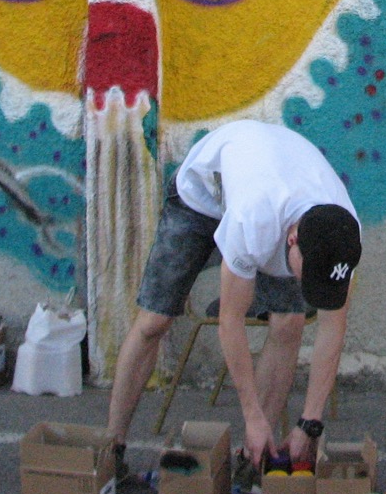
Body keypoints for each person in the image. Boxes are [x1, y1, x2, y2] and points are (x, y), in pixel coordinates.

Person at [107, 119, 362, 472]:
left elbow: (333, 328)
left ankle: (252, 460)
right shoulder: (253, 220)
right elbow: (231, 321)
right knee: (154, 320)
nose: (311, 287)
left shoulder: (343, 233)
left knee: (289, 322)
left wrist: (310, 422)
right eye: (309, 276)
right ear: (292, 240)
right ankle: (113, 448)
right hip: (201, 197)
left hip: (271, 188)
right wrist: (251, 414)